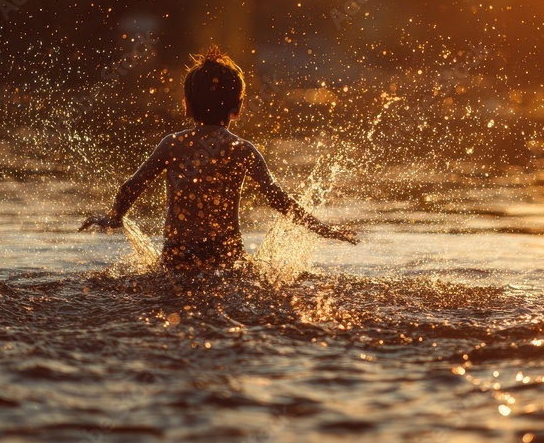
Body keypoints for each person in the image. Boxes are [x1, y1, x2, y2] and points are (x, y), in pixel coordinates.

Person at [80, 46, 357, 274]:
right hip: (227, 261)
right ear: (238, 107)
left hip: (177, 259)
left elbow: (131, 187)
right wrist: (324, 229)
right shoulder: (242, 149)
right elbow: (278, 199)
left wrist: (115, 218)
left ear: (186, 105)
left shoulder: (172, 145)